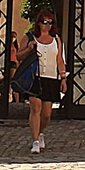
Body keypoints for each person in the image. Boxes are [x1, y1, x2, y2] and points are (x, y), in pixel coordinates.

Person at [23, 9, 66, 153]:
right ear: (38, 23)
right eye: (44, 22)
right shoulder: (30, 37)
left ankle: (40, 132)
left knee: (47, 114)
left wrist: (63, 78)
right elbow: (18, 56)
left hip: (51, 78)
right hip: (35, 77)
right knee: (35, 108)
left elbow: (60, 59)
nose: (47, 25)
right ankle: (35, 140)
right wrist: (28, 49)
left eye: (50, 22)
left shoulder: (56, 39)